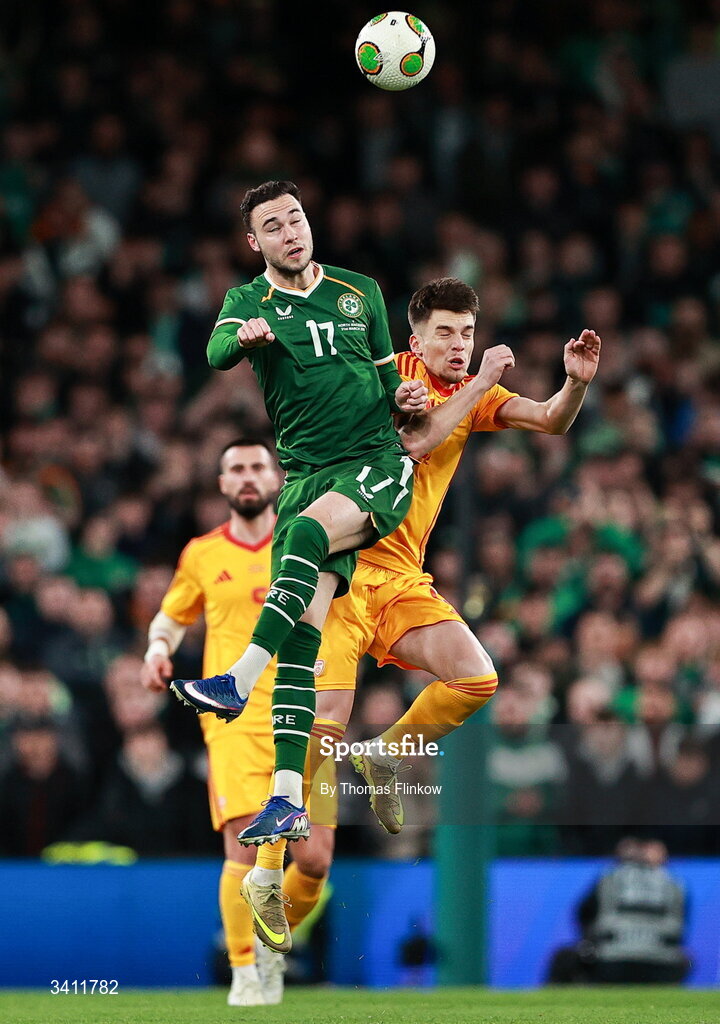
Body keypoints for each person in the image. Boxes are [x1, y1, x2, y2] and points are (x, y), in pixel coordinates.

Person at [249, 277, 600, 941]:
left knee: (478, 677)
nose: (460, 345)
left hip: (403, 580)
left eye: (467, 333)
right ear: (415, 340)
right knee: (320, 752)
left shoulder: (476, 391)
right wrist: (481, 381)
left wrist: (576, 382)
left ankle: (385, 753)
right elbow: (411, 442)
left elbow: (550, 417)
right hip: (343, 573)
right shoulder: (389, 375)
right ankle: (267, 874)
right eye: (445, 332)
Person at [171, 179, 428, 850]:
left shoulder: (359, 290)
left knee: (308, 537)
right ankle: (286, 798)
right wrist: (245, 336)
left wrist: (402, 393)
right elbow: (215, 353)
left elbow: (382, 380)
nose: (292, 231)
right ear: (255, 242)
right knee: (304, 642)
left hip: (373, 463)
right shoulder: (247, 301)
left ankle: (236, 679)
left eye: (297, 218)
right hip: (307, 475)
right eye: (275, 225)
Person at [141, 439, 337, 1005]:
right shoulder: (202, 553)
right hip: (234, 721)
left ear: (277, 478)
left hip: (307, 712)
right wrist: (158, 648)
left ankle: (273, 943)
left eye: (257, 467)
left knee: (316, 860)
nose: (248, 477)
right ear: (222, 484)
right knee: (243, 852)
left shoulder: (308, 538)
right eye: (236, 469)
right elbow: (172, 616)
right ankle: (246, 971)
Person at [547, 838, 691, 984]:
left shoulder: (609, 878)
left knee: (564, 957)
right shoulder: (675, 884)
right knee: (688, 960)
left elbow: (583, 913)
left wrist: (592, 940)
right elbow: (681, 927)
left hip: (611, 963)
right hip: (664, 967)